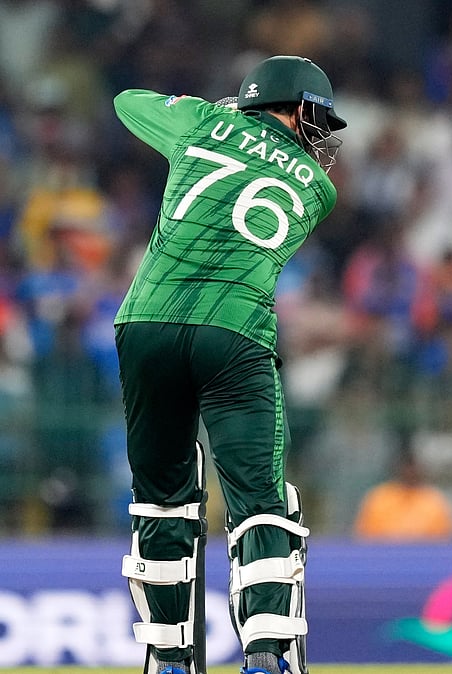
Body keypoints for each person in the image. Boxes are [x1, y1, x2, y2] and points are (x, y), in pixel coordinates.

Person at [112, 55, 346, 674]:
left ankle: (166, 658)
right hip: (233, 330)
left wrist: (206, 112)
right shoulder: (317, 188)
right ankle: (266, 653)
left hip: (146, 324)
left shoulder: (196, 124)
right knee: (261, 500)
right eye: (318, 119)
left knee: (161, 499)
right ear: (296, 109)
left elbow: (128, 100)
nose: (322, 138)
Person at [353, 451, 452, 541]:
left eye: (413, 468)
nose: (410, 472)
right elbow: (364, 537)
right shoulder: (379, 498)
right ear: (398, 469)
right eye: (406, 468)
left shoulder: (433, 500)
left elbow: (444, 540)